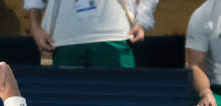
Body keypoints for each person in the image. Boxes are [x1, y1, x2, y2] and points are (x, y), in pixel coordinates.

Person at [25, 0, 159, 67]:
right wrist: (35, 26)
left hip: (115, 36)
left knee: (119, 103)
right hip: (64, 39)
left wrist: (144, 20)